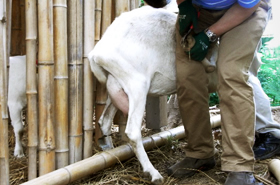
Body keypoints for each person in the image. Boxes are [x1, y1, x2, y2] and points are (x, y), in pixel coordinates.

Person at [166, 0, 274, 184]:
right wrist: (184, 5)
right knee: (188, 77)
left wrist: (209, 34)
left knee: (231, 74)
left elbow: (248, 6)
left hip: (245, 12)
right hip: (201, 12)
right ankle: (200, 152)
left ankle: (239, 167)